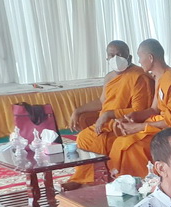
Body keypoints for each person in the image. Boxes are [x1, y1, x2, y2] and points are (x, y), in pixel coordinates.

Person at [64, 40, 153, 190]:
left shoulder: (139, 77)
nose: (116, 59)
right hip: (106, 125)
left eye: (120, 55)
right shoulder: (109, 77)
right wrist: (78, 110)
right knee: (84, 137)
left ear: (129, 57)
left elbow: (139, 110)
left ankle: (98, 180)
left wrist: (110, 114)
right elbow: (102, 102)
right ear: (107, 58)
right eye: (112, 55)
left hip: (125, 124)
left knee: (102, 141)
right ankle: (83, 178)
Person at [109, 39, 171, 179]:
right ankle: (125, 181)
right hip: (166, 126)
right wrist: (134, 116)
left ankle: (146, 183)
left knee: (132, 146)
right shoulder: (159, 77)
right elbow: (154, 109)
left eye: (140, 57)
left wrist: (139, 127)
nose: (139, 61)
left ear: (150, 58)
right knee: (121, 141)